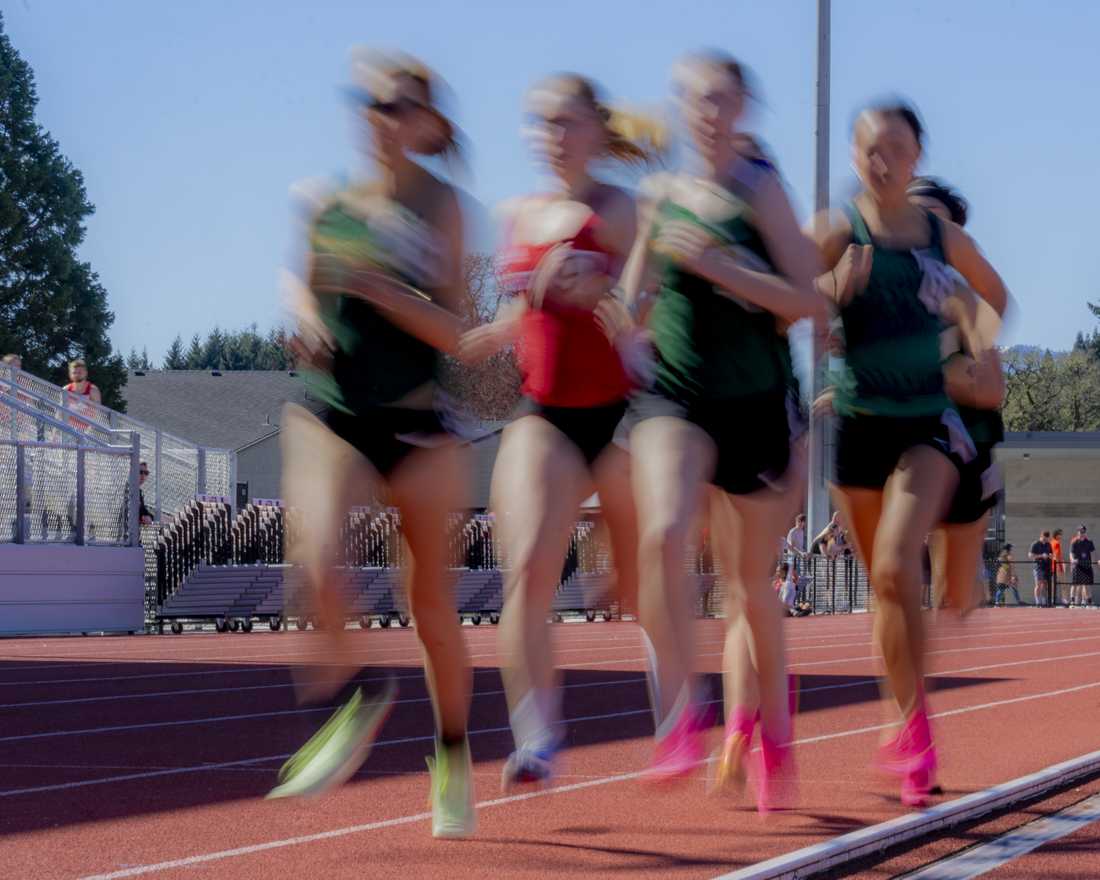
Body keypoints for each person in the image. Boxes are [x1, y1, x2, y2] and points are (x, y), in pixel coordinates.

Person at [610, 50, 821, 813]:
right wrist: (615, 315)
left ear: (742, 110)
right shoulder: (660, 193)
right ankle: (680, 718)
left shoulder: (761, 191)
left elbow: (809, 303)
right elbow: (631, 294)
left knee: (747, 591)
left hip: (757, 407)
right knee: (663, 534)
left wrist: (726, 268)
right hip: (677, 396)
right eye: (693, 99)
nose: (705, 112)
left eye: (720, 100)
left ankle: (770, 732)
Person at [273, 50, 476, 838]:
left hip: (420, 424)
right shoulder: (323, 199)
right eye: (367, 102)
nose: (377, 117)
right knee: (317, 566)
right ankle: (363, 693)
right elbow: (300, 277)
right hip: (333, 412)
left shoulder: (445, 208)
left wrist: (384, 291)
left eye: (395, 105)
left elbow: (458, 332)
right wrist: (309, 313)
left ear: (426, 123)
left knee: (430, 608)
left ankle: (451, 754)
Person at [458, 73, 659, 790]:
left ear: (596, 131)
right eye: (539, 123)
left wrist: (608, 295)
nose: (551, 136)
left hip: (620, 417)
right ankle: (536, 734)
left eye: (565, 122)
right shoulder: (516, 213)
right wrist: (496, 330)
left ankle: (675, 713)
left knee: (638, 586)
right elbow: (528, 309)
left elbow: (644, 300)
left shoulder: (620, 209)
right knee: (527, 575)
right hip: (544, 413)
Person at [810, 100, 1009, 807]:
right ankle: (910, 719)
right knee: (888, 590)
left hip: (933, 426)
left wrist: (975, 340)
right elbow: (787, 294)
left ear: (917, 153)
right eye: (870, 146)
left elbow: (995, 300)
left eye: (897, 145)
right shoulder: (840, 230)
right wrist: (832, 295)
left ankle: (915, 733)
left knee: (905, 569)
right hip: (861, 427)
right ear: (856, 155)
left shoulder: (941, 242)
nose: (883, 158)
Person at [908, 177, 1007, 616]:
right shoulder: (875, 284)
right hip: (899, 440)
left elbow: (991, 389)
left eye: (937, 225)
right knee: (892, 575)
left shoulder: (966, 296)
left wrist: (925, 370)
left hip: (965, 442)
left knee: (955, 597)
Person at [1070, 525, 1095, 606]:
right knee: (1075, 584)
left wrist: (1097, 561)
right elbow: (1071, 553)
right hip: (1077, 566)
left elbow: (1093, 553)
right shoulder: (1074, 542)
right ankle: (1072, 601)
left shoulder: (1089, 542)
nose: (1081, 533)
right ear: (1077, 532)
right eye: (1080, 531)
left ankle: (1089, 601)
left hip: (1087, 565)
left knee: (1087, 585)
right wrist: (1072, 560)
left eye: (1083, 531)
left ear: (1085, 532)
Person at [1028, 530, 1054, 607]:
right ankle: (1037, 602)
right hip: (1038, 567)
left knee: (1045, 584)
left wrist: (1050, 555)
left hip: (1047, 566)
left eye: (1047, 538)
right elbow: (1030, 555)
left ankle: (1043, 600)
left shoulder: (1048, 544)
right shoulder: (1035, 544)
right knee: (1038, 584)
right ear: (1041, 536)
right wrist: (1041, 556)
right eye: (1044, 537)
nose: (1046, 539)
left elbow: (1051, 554)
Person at [1050, 529, 1065, 603]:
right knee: (1063, 583)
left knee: (1053, 584)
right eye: (1060, 534)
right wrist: (1060, 566)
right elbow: (1056, 556)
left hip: (1052, 566)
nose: (1061, 536)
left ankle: (1053, 599)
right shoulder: (1056, 543)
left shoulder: (1051, 542)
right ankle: (1064, 599)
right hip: (1057, 566)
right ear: (1056, 535)